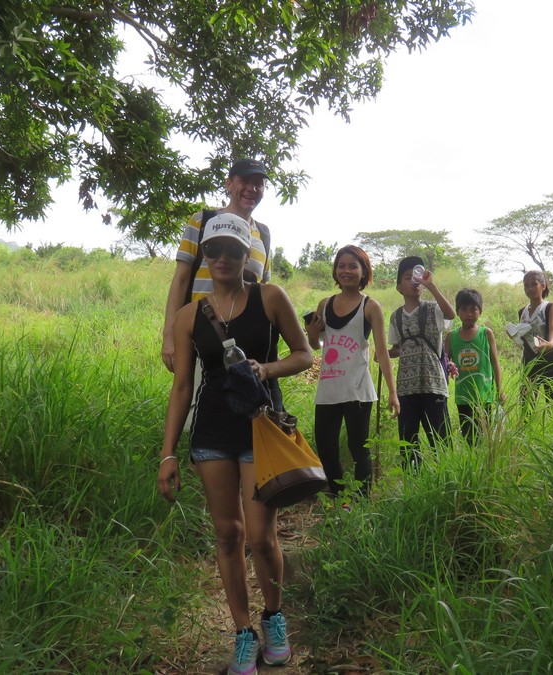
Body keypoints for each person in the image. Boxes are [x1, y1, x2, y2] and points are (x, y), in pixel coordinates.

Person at [156, 213, 312, 675]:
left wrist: (267, 369)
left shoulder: (270, 297)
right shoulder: (190, 315)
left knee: (262, 537)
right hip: (212, 433)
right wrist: (168, 452)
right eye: (214, 250)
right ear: (204, 255)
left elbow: (304, 354)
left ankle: (274, 619)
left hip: (261, 428)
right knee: (228, 534)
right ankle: (243, 632)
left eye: (232, 250)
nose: (222, 258)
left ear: (248, 255)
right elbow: (182, 387)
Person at [160, 159, 280, 409]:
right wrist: (169, 335)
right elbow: (180, 279)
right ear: (229, 184)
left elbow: (264, 289)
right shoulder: (202, 221)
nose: (251, 189)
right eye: (244, 181)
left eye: (258, 184)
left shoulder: (263, 234)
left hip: (247, 341)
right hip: (200, 336)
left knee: (249, 413)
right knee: (196, 409)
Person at [305, 245, 400, 497]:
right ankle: (338, 496)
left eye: (353, 266)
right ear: (335, 271)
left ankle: (361, 500)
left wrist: (393, 392)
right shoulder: (324, 304)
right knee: (326, 447)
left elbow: (382, 352)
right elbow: (317, 345)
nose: (346, 271)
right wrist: (312, 334)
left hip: (357, 389)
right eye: (341, 266)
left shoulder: (370, 306)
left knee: (359, 448)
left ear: (363, 271)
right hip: (328, 388)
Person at [388, 256, 455, 466]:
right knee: (408, 444)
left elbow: (451, 314)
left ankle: (446, 478)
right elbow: (397, 348)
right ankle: (412, 480)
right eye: (408, 277)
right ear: (399, 287)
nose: (414, 281)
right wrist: (383, 354)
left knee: (441, 442)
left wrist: (432, 286)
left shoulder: (434, 309)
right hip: (406, 389)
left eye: (417, 277)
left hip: (433, 385)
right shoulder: (395, 317)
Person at [447, 288, 505, 445]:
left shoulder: (486, 333)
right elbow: (445, 362)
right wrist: (448, 366)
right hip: (463, 397)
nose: (469, 314)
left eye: (473, 309)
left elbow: (495, 362)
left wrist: (499, 389)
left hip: (484, 396)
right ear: (457, 311)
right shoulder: (451, 336)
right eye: (464, 309)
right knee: (469, 438)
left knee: (486, 436)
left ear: (480, 311)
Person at [519, 270, 553, 401]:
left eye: (534, 284)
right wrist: (514, 335)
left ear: (543, 286)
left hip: (550, 359)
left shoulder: (549, 307)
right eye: (526, 285)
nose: (530, 288)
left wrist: (550, 343)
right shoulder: (522, 312)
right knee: (527, 403)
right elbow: (524, 337)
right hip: (530, 360)